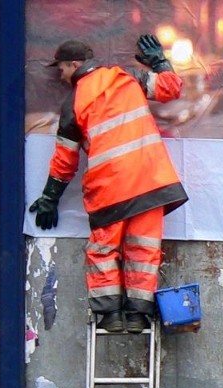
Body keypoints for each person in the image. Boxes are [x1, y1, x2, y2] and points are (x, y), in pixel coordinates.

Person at [29, 35, 188, 333]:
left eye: (61, 68)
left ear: (74, 65)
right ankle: (138, 315)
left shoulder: (74, 101)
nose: (61, 75)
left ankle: (111, 316)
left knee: (103, 250)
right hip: (151, 182)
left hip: (111, 188)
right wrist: (159, 62)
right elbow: (171, 88)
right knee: (144, 251)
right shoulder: (127, 76)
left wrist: (50, 197)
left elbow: (65, 160)